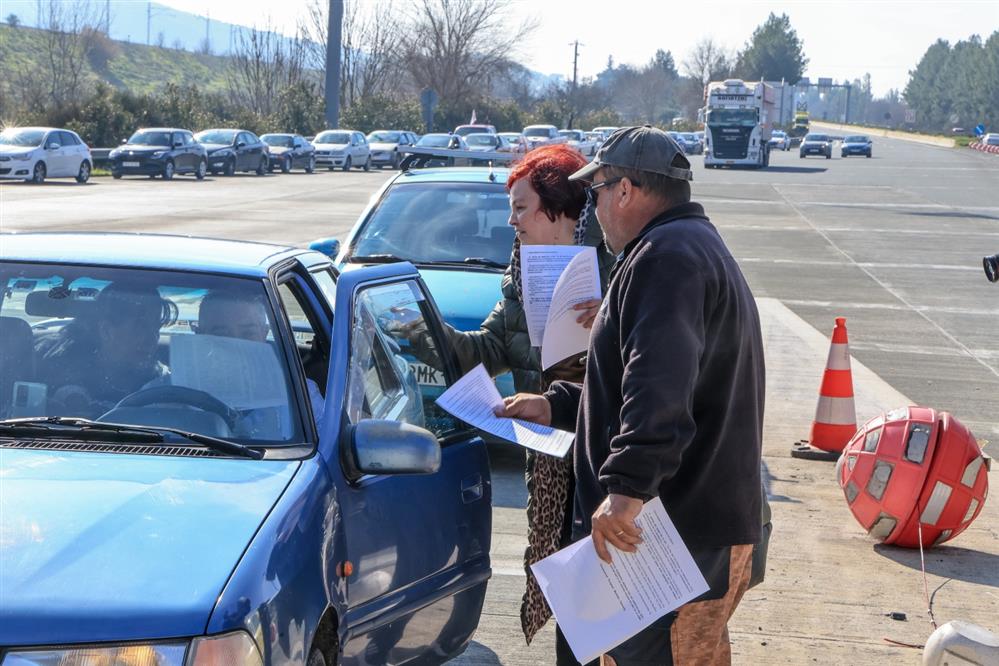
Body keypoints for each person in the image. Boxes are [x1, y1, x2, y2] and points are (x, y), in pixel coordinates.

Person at [500, 126, 766, 665]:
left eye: (596, 192)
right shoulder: (687, 246)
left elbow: (659, 385)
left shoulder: (664, 259)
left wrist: (625, 491)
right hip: (691, 531)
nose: (593, 209)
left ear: (624, 190)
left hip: (672, 536)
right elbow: (640, 380)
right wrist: (556, 404)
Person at [409, 144, 615, 664]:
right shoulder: (521, 276)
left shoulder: (619, 272)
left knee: (612, 609)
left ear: (559, 208)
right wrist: (427, 332)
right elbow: (485, 350)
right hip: (549, 464)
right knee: (573, 604)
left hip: (607, 470)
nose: (512, 221)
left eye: (521, 208)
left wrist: (613, 319)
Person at [36, 282, 174, 418]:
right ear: (106, 331)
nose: (152, 338)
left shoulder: (162, 383)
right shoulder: (57, 371)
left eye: (156, 327)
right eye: (140, 327)